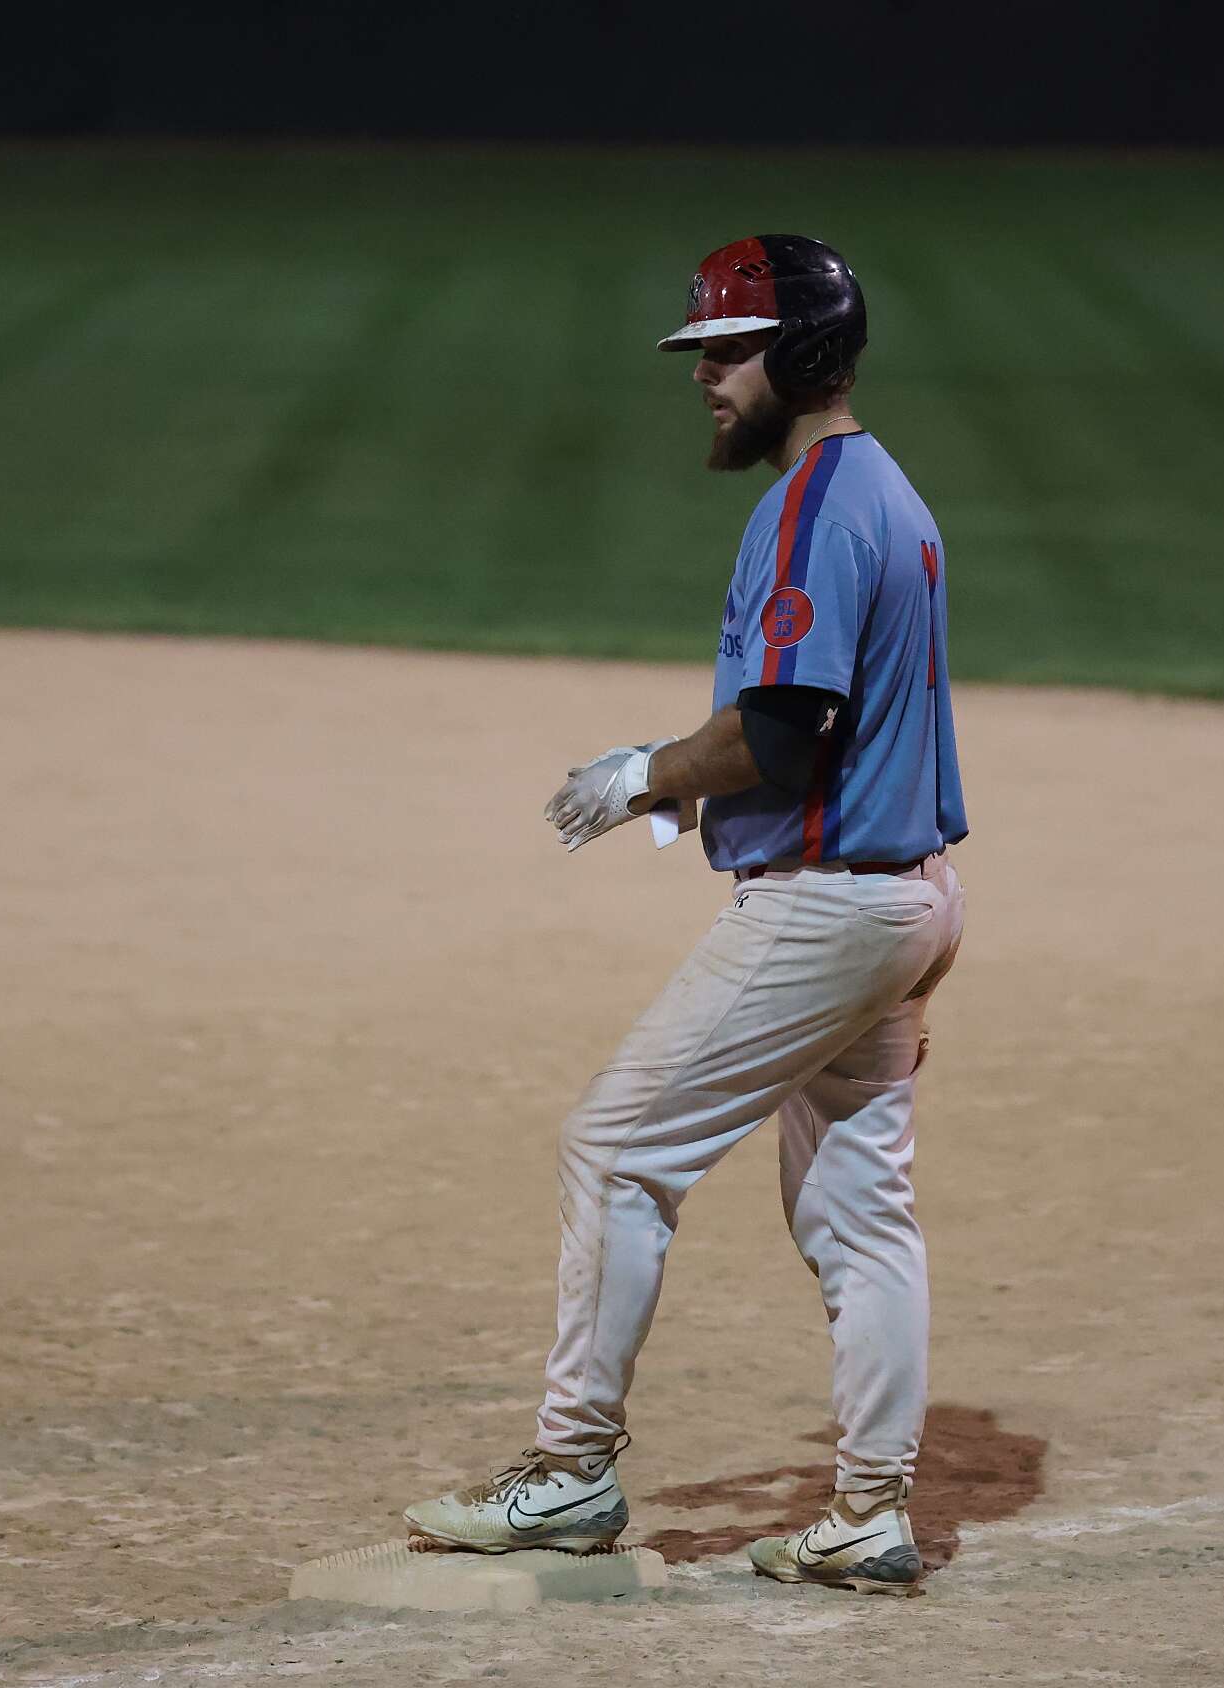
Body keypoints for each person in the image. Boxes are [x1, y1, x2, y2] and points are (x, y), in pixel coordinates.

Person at [404, 235, 968, 1597]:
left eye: (729, 351)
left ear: (803, 354)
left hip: (825, 911)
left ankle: (569, 1473)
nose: (705, 376)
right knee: (860, 1207)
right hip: (908, 901)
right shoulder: (887, 492)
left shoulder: (815, 509)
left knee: (614, 1150)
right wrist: (681, 792)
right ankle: (871, 1509)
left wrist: (644, 777)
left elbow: (781, 728)